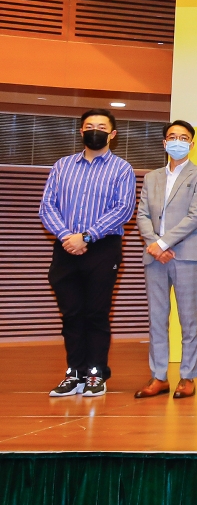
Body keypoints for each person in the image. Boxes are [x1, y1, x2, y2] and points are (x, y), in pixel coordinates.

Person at [39, 109, 137, 397]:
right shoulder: (62, 166)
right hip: (65, 246)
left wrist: (87, 236)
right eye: (89, 126)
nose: (95, 130)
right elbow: (47, 206)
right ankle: (74, 373)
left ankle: (96, 373)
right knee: (71, 314)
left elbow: (123, 209)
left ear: (112, 134)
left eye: (102, 127)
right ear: (81, 131)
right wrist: (66, 236)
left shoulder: (122, 169)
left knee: (96, 313)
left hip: (103, 248)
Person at [134, 120, 197, 400]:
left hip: (186, 255)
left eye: (184, 137)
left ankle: (187, 376)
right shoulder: (151, 177)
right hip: (154, 256)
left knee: (188, 319)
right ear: (164, 142)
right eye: (172, 136)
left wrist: (163, 243)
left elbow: (195, 216)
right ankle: (159, 376)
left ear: (192, 144)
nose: (177, 141)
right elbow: (142, 214)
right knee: (157, 318)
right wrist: (153, 244)